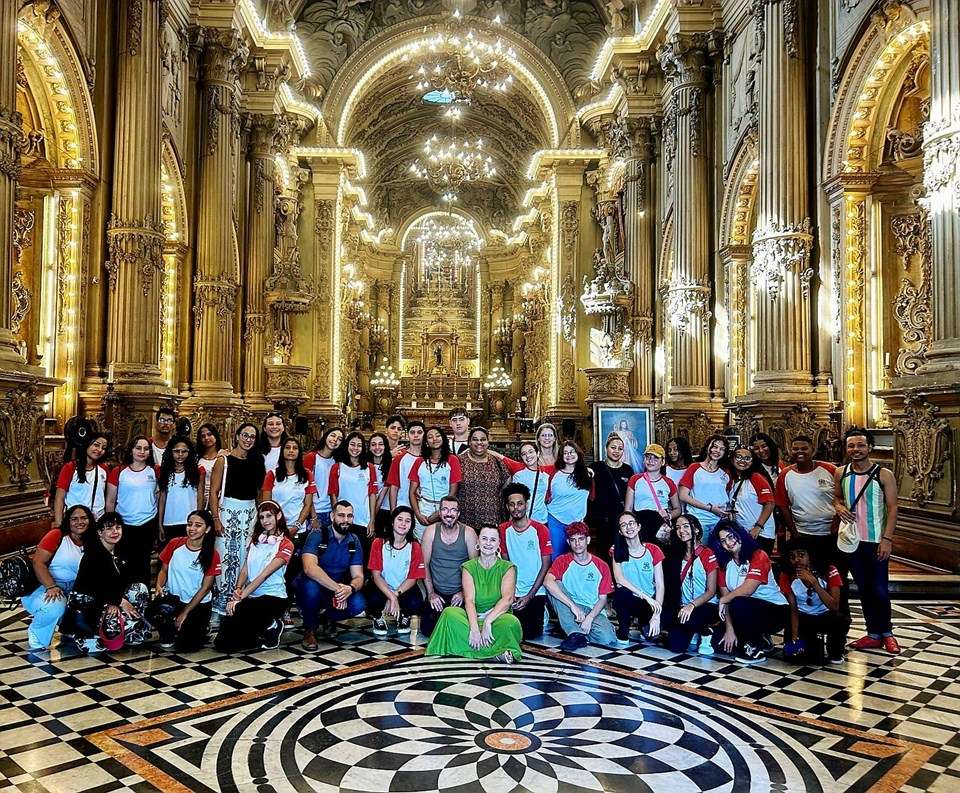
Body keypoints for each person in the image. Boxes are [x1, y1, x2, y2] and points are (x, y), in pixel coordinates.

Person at [833, 427, 900, 654]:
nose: (855, 449)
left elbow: (892, 508)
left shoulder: (883, 474)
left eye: (860, 445)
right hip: (852, 540)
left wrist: (887, 539)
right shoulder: (841, 473)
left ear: (869, 447)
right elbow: (837, 498)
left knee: (880, 588)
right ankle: (873, 633)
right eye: (851, 445)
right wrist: (839, 507)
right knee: (863, 588)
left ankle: (887, 633)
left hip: (875, 539)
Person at [426, 525, 522, 663]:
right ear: (478, 542)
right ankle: (495, 652)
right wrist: (474, 628)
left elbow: (507, 599)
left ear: (499, 544)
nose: (488, 543)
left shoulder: (508, 567)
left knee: (511, 623)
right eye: (484, 538)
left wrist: (488, 621)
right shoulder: (468, 567)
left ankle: (466, 649)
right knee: (449, 613)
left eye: (493, 540)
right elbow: (469, 600)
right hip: (473, 616)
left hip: (497, 618)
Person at [64, 512, 149, 653]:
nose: (115, 532)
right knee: (100, 645)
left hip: (110, 600)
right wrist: (115, 601)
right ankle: (88, 635)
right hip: (88, 605)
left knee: (139, 588)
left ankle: (126, 631)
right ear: (99, 532)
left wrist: (118, 600)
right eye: (109, 528)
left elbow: (124, 582)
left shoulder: (120, 552)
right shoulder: (92, 555)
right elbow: (93, 587)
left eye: (118, 527)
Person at [214, 501, 293, 651]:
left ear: (279, 516)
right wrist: (238, 588)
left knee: (238, 636)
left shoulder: (286, 544)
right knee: (222, 641)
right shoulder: (256, 541)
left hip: (274, 597)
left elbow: (264, 575)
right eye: (262, 517)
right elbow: (245, 569)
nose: (265, 521)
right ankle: (261, 628)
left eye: (269, 516)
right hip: (252, 596)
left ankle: (273, 625)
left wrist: (240, 597)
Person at [208, 423, 266, 619]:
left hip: (249, 513)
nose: (248, 439)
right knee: (225, 557)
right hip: (227, 512)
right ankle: (220, 605)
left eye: (252, 437)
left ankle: (239, 602)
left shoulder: (257, 461)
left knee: (245, 558)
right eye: (245, 435)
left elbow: (259, 493)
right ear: (237, 435)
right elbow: (213, 493)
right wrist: (216, 519)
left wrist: (261, 519)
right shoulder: (223, 461)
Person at [714, 521, 789, 664]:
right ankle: (761, 639)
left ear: (740, 535)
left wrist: (724, 600)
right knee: (719, 643)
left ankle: (756, 647)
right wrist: (729, 629)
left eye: (731, 537)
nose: (728, 543)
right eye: (723, 541)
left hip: (775, 610)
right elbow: (726, 597)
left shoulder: (759, 555)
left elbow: (747, 590)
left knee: (739, 602)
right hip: (743, 609)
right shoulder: (724, 563)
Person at [296, 501, 366, 650]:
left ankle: (326, 618)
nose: (345, 520)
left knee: (359, 602)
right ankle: (310, 630)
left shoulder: (354, 541)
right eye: (341, 515)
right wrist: (337, 589)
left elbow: (358, 576)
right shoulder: (317, 535)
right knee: (311, 588)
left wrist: (350, 589)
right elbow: (309, 568)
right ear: (332, 516)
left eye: (349, 516)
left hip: (336, 590)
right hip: (313, 587)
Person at [22, 505, 93, 651]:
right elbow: (38, 562)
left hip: (73, 588)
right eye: (74, 519)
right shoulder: (57, 535)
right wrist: (51, 586)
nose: (80, 522)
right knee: (55, 605)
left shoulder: (92, 540)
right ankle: (37, 637)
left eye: (84, 518)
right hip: (44, 587)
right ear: (68, 521)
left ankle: (69, 630)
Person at [151, 509, 220, 651]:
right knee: (150, 611)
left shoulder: (212, 554)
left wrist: (185, 613)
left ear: (207, 529)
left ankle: (199, 628)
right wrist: (159, 586)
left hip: (197, 604)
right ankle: (168, 632)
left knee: (187, 646)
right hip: (174, 600)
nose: (192, 529)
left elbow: (205, 588)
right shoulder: (175, 543)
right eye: (189, 524)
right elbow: (163, 570)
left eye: (198, 525)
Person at [544, 522, 617, 651]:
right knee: (554, 584)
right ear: (568, 542)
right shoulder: (562, 560)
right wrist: (573, 606)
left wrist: (589, 618)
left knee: (607, 639)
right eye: (573, 540)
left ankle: (571, 628)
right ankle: (574, 632)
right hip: (569, 607)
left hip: (591, 609)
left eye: (581, 539)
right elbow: (547, 582)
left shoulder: (601, 565)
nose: (577, 544)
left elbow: (603, 599)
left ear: (588, 540)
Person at [779, 538, 848, 664]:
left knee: (840, 619)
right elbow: (793, 609)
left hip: (825, 615)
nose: (797, 560)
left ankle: (836, 650)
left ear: (810, 556)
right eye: (792, 557)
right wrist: (795, 636)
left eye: (801, 555)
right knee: (798, 658)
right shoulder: (786, 575)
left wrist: (815, 583)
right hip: (803, 617)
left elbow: (834, 606)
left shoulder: (829, 570)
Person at [499, 483, 552, 639]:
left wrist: (530, 595)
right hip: (513, 591)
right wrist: (511, 592)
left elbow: (546, 565)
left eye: (520, 503)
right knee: (512, 631)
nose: (516, 508)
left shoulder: (540, 530)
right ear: (507, 506)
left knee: (531, 634)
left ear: (526, 504)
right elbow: (505, 564)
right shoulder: (503, 529)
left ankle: (543, 610)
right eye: (512, 504)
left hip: (536, 591)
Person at [420, 496, 478, 637]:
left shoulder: (469, 533)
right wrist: (431, 593)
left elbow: (475, 568)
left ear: (458, 514)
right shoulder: (430, 531)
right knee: (428, 630)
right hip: (437, 593)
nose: (449, 514)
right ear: (439, 513)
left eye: (453, 510)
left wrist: (464, 593)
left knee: (461, 630)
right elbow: (424, 565)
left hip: (460, 594)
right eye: (445, 509)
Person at [774, 434, 837, 565]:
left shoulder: (830, 470)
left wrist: (837, 525)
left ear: (812, 450)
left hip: (831, 533)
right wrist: (794, 532)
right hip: (803, 533)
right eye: (795, 449)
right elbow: (783, 506)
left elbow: (842, 498)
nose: (800, 452)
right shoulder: (785, 475)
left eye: (804, 448)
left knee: (834, 571)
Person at [105, 435, 159, 585]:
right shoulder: (119, 471)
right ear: (131, 450)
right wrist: (111, 524)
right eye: (138, 448)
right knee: (123, 564)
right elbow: (110, 501)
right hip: (124, 524)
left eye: (146, 448)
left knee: (143, 564)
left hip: (147, 524)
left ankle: (143, 600)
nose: (142, 451)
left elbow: (159, 495)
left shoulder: (155, 471)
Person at [664, 514, 719, 655]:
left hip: (705, 605)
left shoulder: (708, 553)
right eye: (677, 527)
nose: (681, 530)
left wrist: (692, 605)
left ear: (696, 530)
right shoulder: (675, 554)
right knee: (675, 646)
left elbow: (711, 591)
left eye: (685, 526)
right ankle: (694, 630)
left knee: (688, 620)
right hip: (683, 606)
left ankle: (706, 632)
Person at [367, 506, 425, 635]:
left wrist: (395, 595)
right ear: (392, 522)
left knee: (416, 602)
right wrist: (390, 595)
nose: (403, 524)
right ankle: (377, 617)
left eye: (407, 521)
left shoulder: (415, 546)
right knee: (372, 598)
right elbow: (376, 575)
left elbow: (413, 578)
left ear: (412, 525)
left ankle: (404, 616)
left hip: (403, 588)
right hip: (381, 586)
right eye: (400, 519)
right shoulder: (379, 543)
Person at [611, 512, 664, 645]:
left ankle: (644, 623)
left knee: (652, 636)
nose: (628, 527)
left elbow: (660, 584)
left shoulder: (653, 550)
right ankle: (623, 632)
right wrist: (644, 596)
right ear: (620, 531)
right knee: (622, 593)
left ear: (639, 526)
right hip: (630, 598)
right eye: (623, 525)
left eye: (631, 523)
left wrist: (657, 614)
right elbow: (619, 579)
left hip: (648, 603)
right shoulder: (617, 550)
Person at [328, 431, 378, 559]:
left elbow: (372, 495)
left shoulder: (369, 468)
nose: (355, 448)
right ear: (347, 445)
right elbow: (333, 494)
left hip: (363, 520)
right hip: (344, 521)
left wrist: (372, 520)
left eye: (359, 445)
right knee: (343, 556)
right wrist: (336, 517)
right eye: (352, 444)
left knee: (362, 556)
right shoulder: (337, 467)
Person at [409, 426, 463, 541]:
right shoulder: (419, 462)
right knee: (421, 545)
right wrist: (418, 514)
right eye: (430, 437)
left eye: (438, 435)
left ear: (443, 438)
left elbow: (453, 491)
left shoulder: (452, 460)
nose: (435, 439)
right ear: (426, 442)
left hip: (446, 510)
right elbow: (412, 492)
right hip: (423, 509)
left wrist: (440, 512)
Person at [587, 433, 635, 558]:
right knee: (603, 554)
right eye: (613, 447)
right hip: (600, 521)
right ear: (606, 448)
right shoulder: (595, 467)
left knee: (621, 553)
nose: (616, 451)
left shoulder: (628, 470)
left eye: (620, 449)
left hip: (620, 519)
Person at [678, 435, 732, 544]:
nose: (717, 451)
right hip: (699, 521)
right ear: (708, 447)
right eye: (715, 447)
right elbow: (683, 495)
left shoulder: (725, 472)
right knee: (700, 556)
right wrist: (710, 508)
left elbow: (728, 495)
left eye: (722, 449)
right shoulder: (694, 467)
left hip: (720, 522)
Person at [545, 441, 594, 559]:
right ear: (561, 456)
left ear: (578, 454)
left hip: (578, 521)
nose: (569, 455)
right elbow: (547, 497)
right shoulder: (555, 474)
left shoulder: (588, 474)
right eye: (565, 453)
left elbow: (592, 496)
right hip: (556, 520)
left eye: (572, 452)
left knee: (578, 556)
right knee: (556, 556)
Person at [625, 443, 680, 544]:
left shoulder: (668, 482)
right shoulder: (635, 479)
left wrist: (669, 515)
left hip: (659, 524)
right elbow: (628, 508)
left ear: (662, 461)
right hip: (640, 522)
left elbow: (677, 509)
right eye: (648, 457)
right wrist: (629, 525)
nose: (651, 461)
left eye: (655, 458)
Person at [457, 426, 510, 530]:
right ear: (469, 442)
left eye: (483, 439)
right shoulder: (459, 461)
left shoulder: (496, 461)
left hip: (492, 521)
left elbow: (507, 483)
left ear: (488, 442)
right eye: (475, 439)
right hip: (465, 521)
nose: (479, 443)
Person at [157, 436, 203, 551]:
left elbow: (200, 497)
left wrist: (199, 521)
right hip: (169, 522)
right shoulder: (165, 471)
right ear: (170, 452)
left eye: (184, 451)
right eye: (177, 451)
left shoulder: (197, 472)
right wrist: (160, 523)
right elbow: (162, 498)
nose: (180, 454)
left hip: (189, 522)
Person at [727, 445, 776, 553]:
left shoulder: (756, 477)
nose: (742, 461)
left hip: (760, 534)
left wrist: (758, 527)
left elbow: (770, 503)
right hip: (743, 533)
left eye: (747, 458)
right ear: (732, 459)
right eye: (738, 457)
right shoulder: (734, 481)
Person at [490, 440, 553, 523]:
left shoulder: (546, 471)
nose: (528, 456)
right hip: (519, 520)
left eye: (531, 452)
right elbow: (498, 456)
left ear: (537, 453)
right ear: (521, 457)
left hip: (541, 520)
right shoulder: (517, 467)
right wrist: (470, 449)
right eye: (524, 454)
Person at [53, 433, 109, 523]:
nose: (99, 450)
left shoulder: (104, 469)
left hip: (97, 521)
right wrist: (60, 526)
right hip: (75, 521)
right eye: (96, 445)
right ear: (87, 444)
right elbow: (59, 498)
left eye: (103, 448)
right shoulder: (70, 467)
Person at [304, 426, 344, 529]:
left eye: (339, 439)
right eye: (333, 435)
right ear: (326, 436)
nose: (335, 440)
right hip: (314, 511)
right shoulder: (311, 457)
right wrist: (313, 516)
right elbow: (304, 488)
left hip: (331, 511)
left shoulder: (337, 461)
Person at [386, 420, 424, 511]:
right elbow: (394, 487)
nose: (416, 435)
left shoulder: (430, 458)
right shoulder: (399, 458)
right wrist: (393, 511)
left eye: (419, 432)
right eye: (412, 432)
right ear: (407, 435)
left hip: (425, 508)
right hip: (403, 505)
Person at [368, 432, 393, 537]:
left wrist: (372, 519)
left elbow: (382, 495)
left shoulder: (391, 465)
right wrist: (370, 518)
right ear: (369, 447)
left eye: (380, 444)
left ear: (385, 446)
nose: (377, 447)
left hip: (385, 509)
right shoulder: (365, 465)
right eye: (373, 444)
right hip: (367, 509)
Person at [195, 423, 226, 509]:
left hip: (218, 500)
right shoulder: (197, 457)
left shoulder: (223, 456)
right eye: (203, 436)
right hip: (198, 498)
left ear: (215, 435)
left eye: (209, 434)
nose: (206, 438)